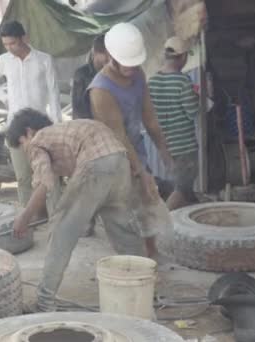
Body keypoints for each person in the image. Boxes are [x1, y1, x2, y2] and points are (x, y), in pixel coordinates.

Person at [7, 108, 145, 312]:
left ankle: (44, 302)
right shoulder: (66, 130)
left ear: (28, 132)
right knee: (124, 232)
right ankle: (144, 292)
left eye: (21, 143)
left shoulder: (38, 140)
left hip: (96, 161)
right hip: (119, 159)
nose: (25, 150)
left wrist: (25, 217)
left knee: (61, 229)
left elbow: (44, 183)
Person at [88, 22, 173, 258]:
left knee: (146, 203)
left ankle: (150, 252)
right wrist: (141, 172)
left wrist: (165, 152)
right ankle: (131, 261)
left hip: (135, 147)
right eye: (127, 63)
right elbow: (119, 136)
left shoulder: (138, 74)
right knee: (123, 211)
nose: (132, 68)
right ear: (111, 56)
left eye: (136, 63)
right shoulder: (101, 90)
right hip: (112, 155)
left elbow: (150, 118)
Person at [0, 20, 62, 207]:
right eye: (6, 45)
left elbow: (54, 95)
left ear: (24, 38)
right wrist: (4, 97)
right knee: (23, 178)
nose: (10, 48)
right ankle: (30, 221)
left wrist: (58, 125)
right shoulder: (3, 61)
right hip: (15, 126)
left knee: (50, 174)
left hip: (41, 127)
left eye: (14, 43)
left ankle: (57, 217)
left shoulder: (44, 60)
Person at [148, 36, 200, 210]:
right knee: (182, 190)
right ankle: (164, 222)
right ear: (183, 57)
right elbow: (192, 111)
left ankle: (189, 218)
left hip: (165, 146)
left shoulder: (152, 81)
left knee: (182, 187)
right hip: (185, 147)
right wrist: (198, 97)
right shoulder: (182, 81)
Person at [71, 34, 109, 119]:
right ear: (95, 53)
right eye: (106, 55)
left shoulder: (112, 72)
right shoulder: (82, 74)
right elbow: (78, 109)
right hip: (90, 125)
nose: (109, 59)